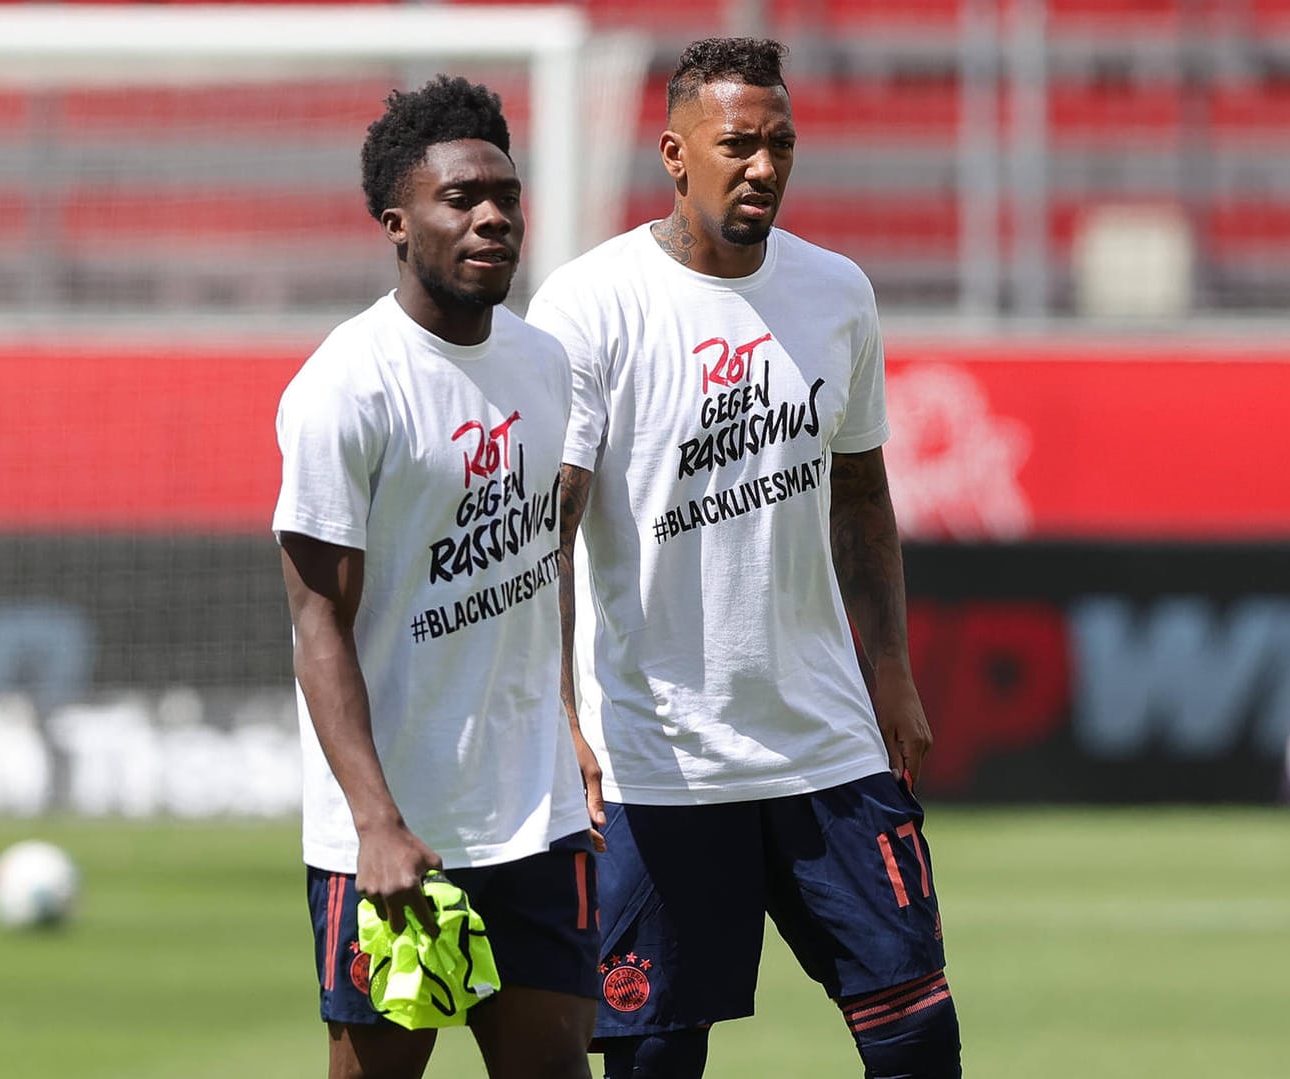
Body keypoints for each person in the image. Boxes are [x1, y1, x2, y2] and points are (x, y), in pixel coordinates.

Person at [525, 38, 962, 1079]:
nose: (763, 166)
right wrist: (556, 712)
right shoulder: (591, 303)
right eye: (738, 145)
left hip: (825, 744)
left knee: (918, 1041)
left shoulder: (837, 292)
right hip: (656, 761)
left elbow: (860, 490)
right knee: (651, 1058)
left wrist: (889, 663)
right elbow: (550, 528)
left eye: (781, 145)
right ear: (676, 154)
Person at [273, 75, 597, 1079]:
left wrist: (571, 721)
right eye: (462, 198)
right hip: (395, 831)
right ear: (397, 224)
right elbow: (316, 621)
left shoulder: (548, 366)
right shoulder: (345, 385)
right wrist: (376, 820)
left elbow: (549, 561)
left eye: (506, 194)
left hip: (536, 818)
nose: (495, 215)